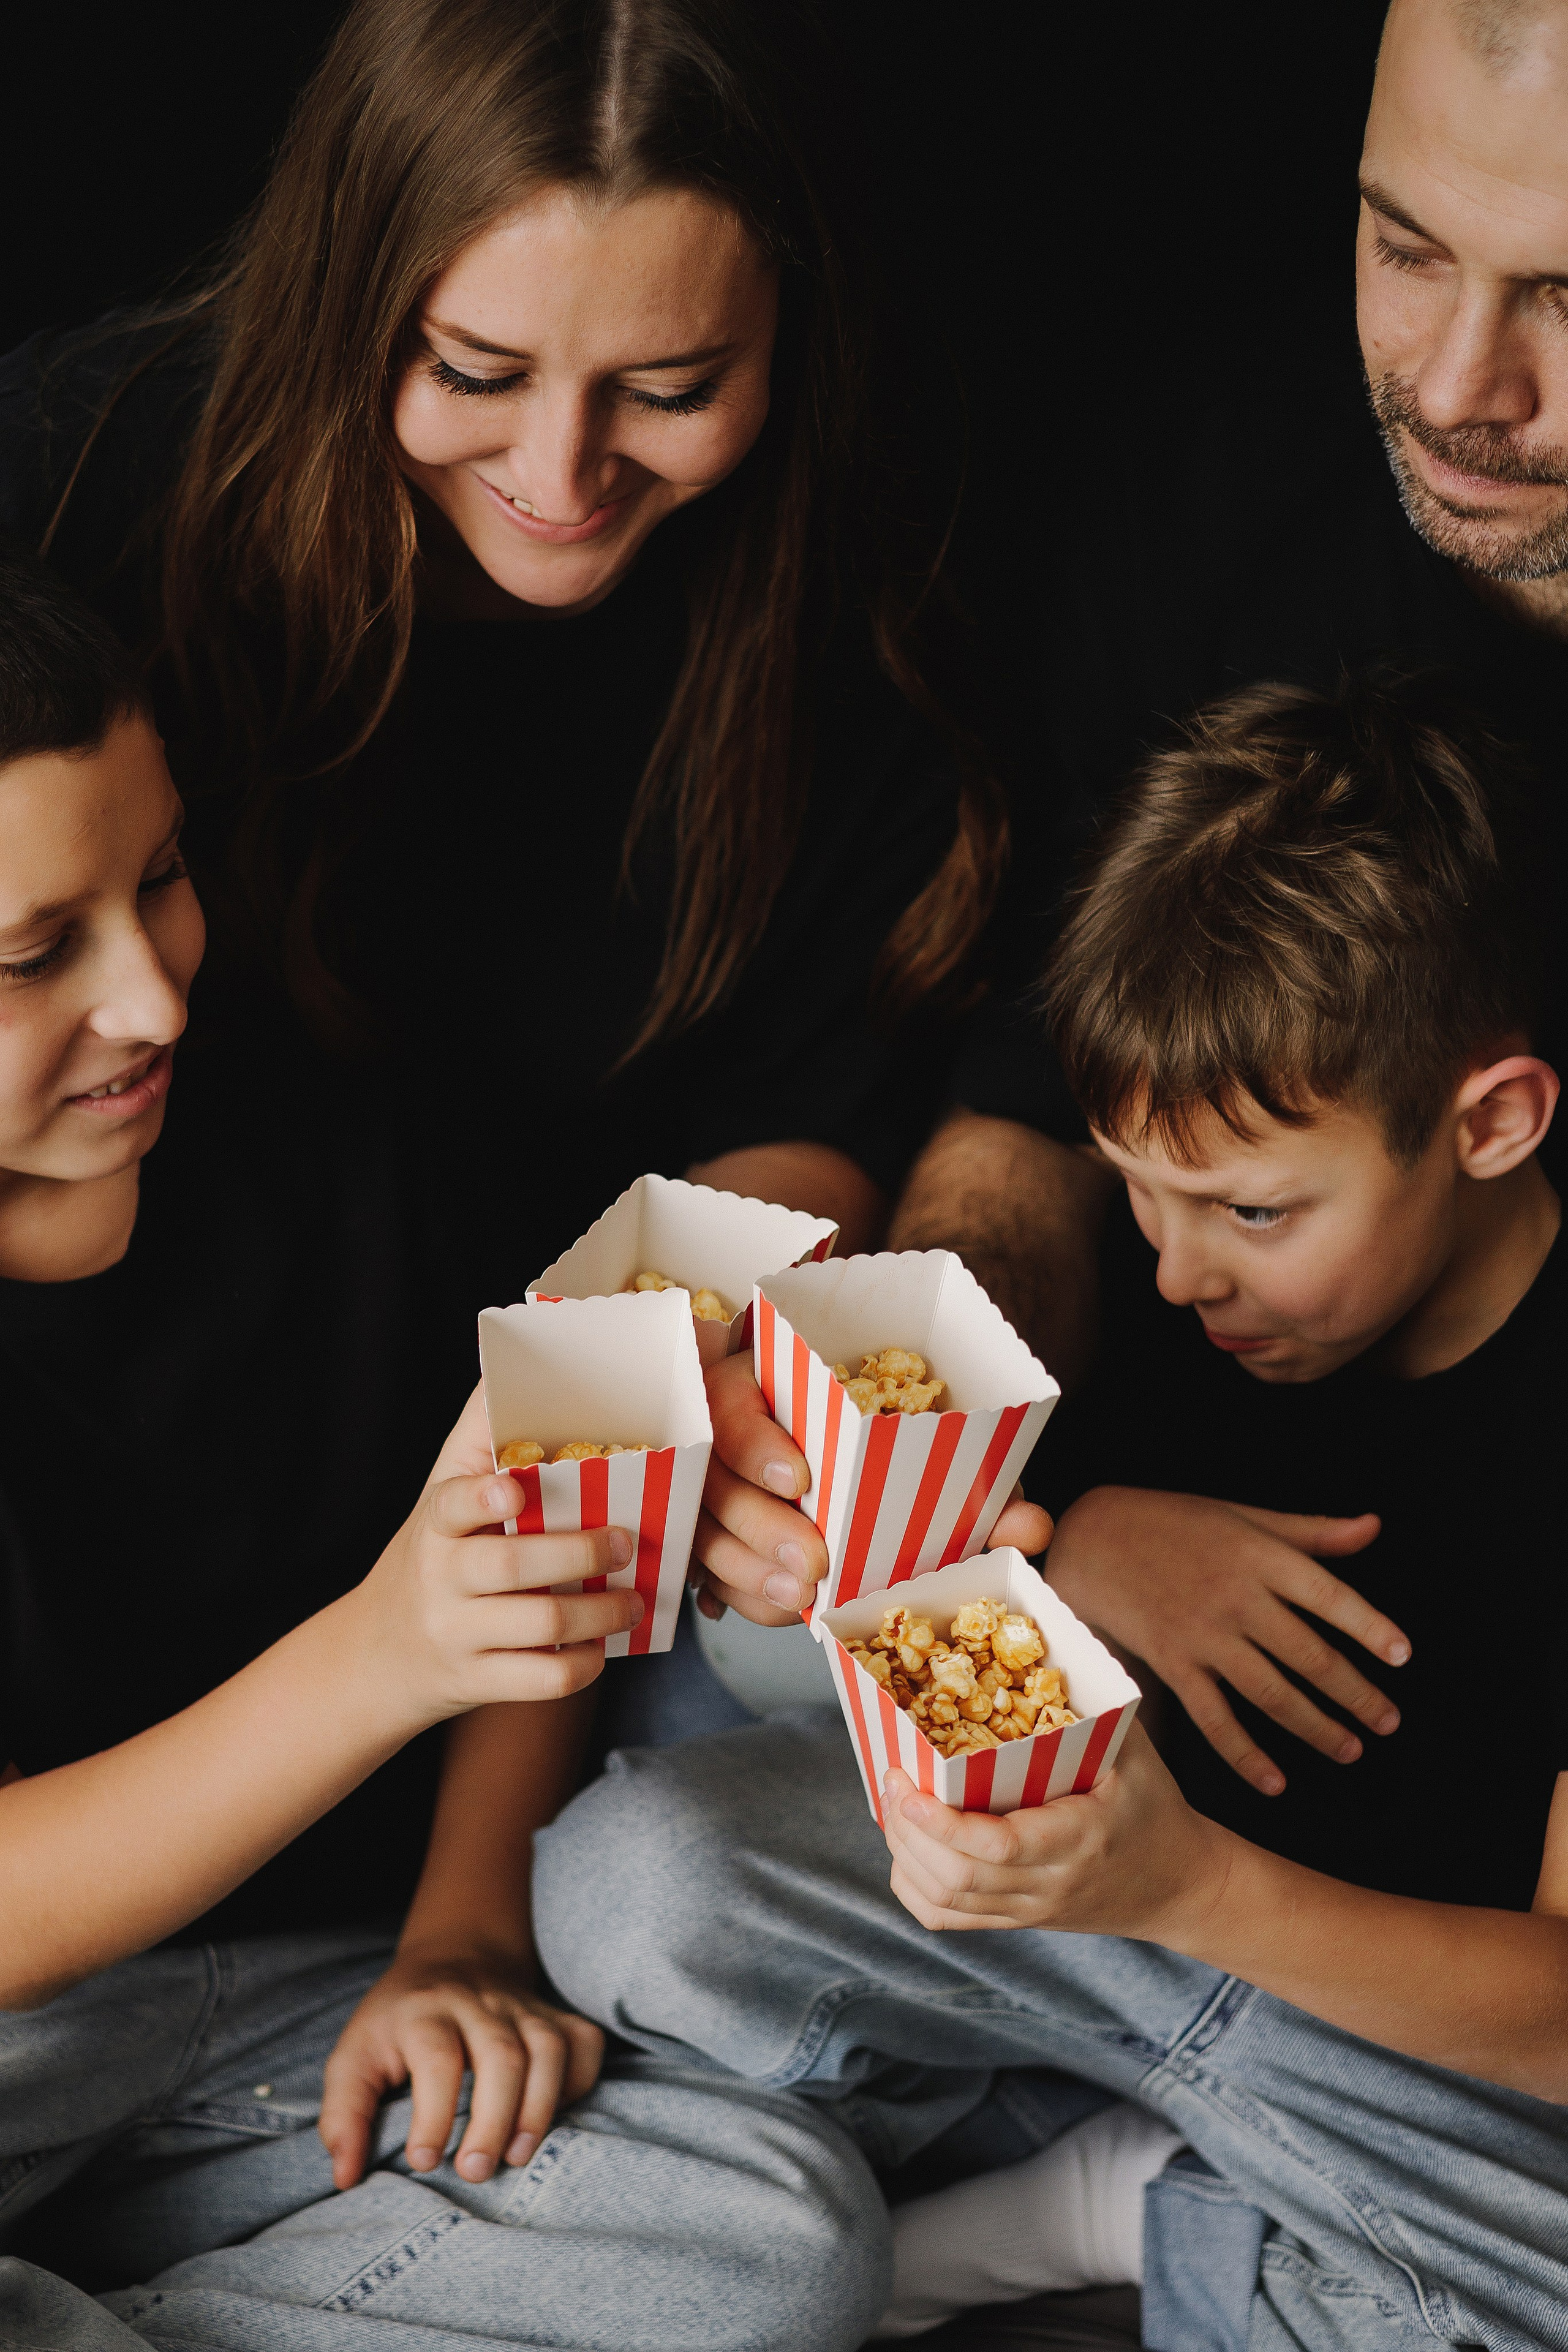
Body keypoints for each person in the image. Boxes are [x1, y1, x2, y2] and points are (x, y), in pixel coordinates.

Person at [0, 0, 1011, 2252]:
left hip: (504, 1525)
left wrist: (471, 1898)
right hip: (224, 1709)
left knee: (760, 2186)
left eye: (666, 389)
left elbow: (772, 1166)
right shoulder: (89, 504)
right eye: (473, 371)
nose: (564, 474)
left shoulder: (823, 638)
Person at [533, 669, 1568, 2352]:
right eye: (1138, 1191)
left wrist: (1185, 1895)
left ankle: (1132, 2195)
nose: (1179, 1270)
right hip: (1077, 1924)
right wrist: (1049, 1539)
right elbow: (910, 1594)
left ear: (1494, 1121)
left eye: (1249, 1210)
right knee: (628, 1876)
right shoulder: (1169, 1266)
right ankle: (1205, 2198)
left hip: (1383, 2010)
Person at [0, 553, 883, 2352]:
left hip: (273, 2008)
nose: (154, 1000)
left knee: (769, 2231)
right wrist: (380, 1651)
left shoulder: (332, 1126)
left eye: (159, 880)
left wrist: (466, 1931)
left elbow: (558, 1507)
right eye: (31, 957)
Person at [857, 0, 1568, 1807]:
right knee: (670, 1807)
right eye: (1407, 250)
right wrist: (947, 1507)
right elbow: (1029, 1113)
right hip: (1114, 1599)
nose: (1465, 387)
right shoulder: (1207, 490)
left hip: (1447, 1791)